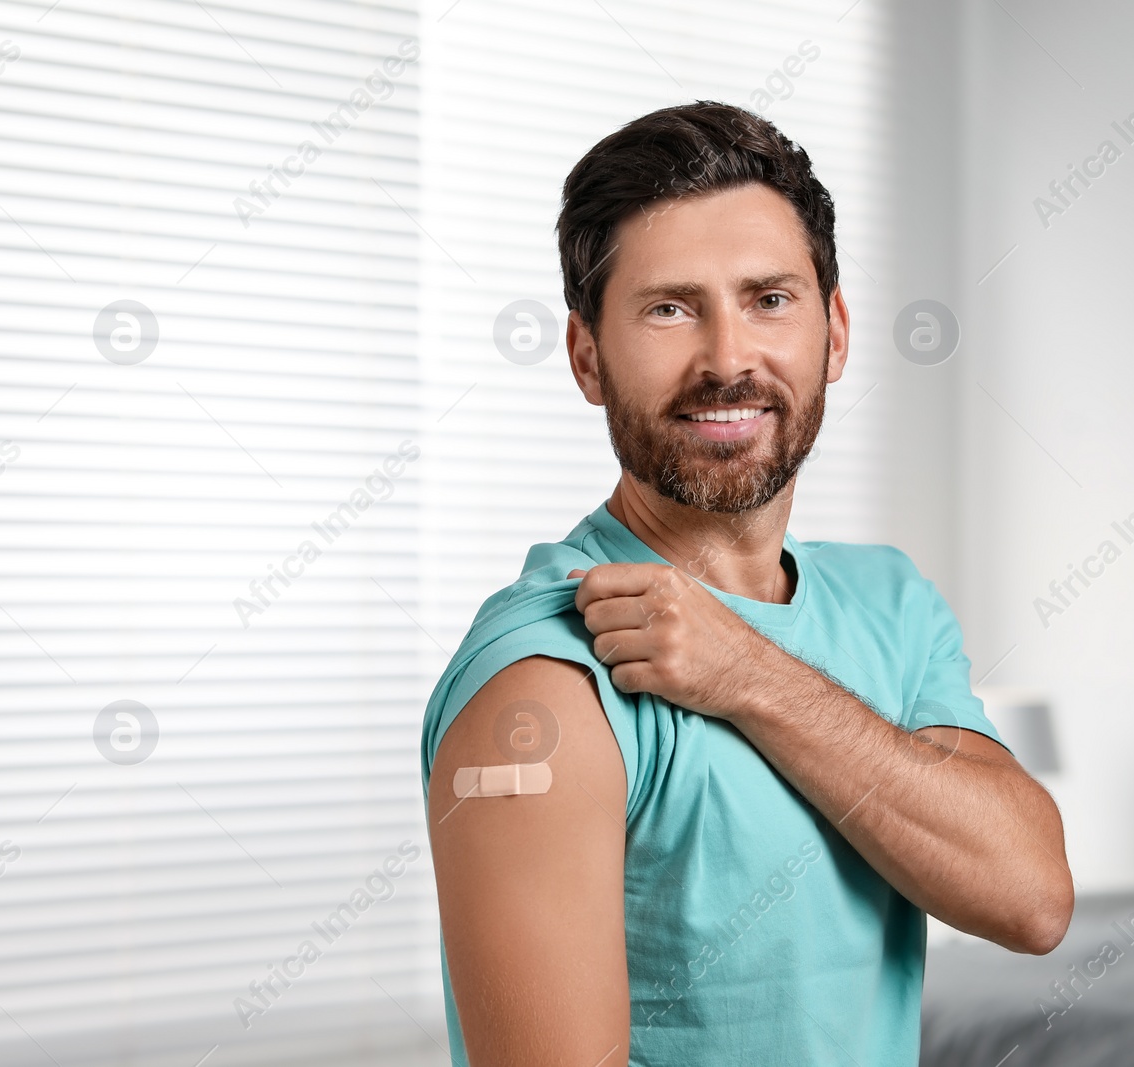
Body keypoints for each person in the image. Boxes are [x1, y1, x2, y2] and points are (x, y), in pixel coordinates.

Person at [421, 100, 1072, 1067]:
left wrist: (747, 673)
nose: (729, 360)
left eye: (769, 299)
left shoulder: (891, 603)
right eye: (669, 308)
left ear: (835, 332)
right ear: (587, 356)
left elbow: (1031, 898)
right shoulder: (544, 690)